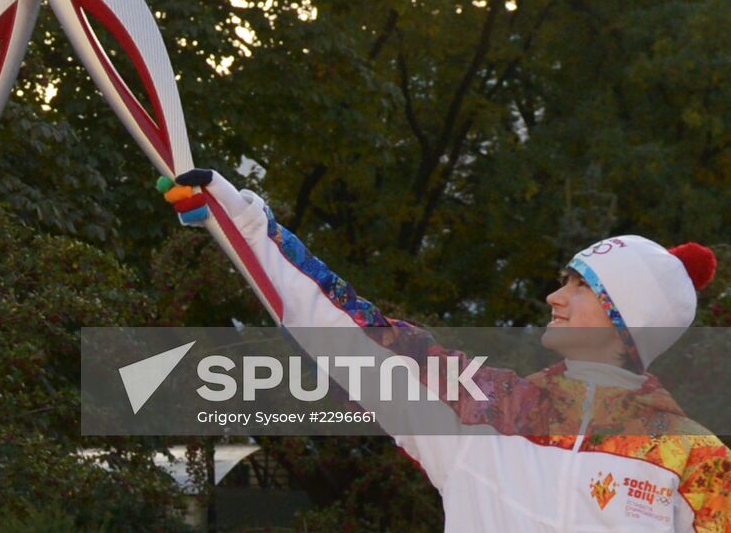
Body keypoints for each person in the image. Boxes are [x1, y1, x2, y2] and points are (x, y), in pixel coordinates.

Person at [162, 168, 730, 532]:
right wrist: (244, 227)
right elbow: (355, 333)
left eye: (580, 286)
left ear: (627, 320)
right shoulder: (484, 408)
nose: (555, 297)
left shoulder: (694, 462)